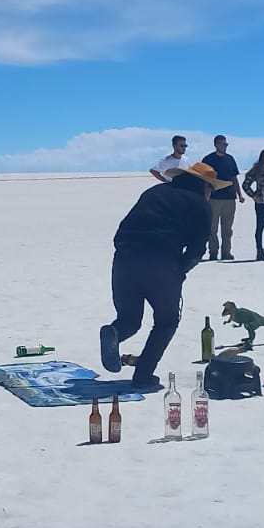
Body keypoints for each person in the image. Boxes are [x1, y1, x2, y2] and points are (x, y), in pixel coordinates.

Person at [98, 161, 225, 391]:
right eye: (211, 189)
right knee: (166, 321)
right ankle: (143, 375)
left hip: (124, 261)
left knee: (129, 319)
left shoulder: (154, 192)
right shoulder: (199, 204)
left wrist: (126, 251)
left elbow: (121, 230)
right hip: (162, 264)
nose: (211, 193)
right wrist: (180, 270)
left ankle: (114, 332)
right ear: (204, 186)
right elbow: (197, 250)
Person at [200, 135, 246, 260]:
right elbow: (204, 180)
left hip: (229, 198)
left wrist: (240, 194)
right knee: (212, 228)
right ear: (216, 145)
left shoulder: (230, 159)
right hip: (213, 198)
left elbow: (234, 177)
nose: (224, 147)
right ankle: (213, 252)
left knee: (227, 228)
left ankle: (226, 252)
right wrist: (204, 197)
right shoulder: (208, 159)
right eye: (222, 144)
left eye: (226, 145)